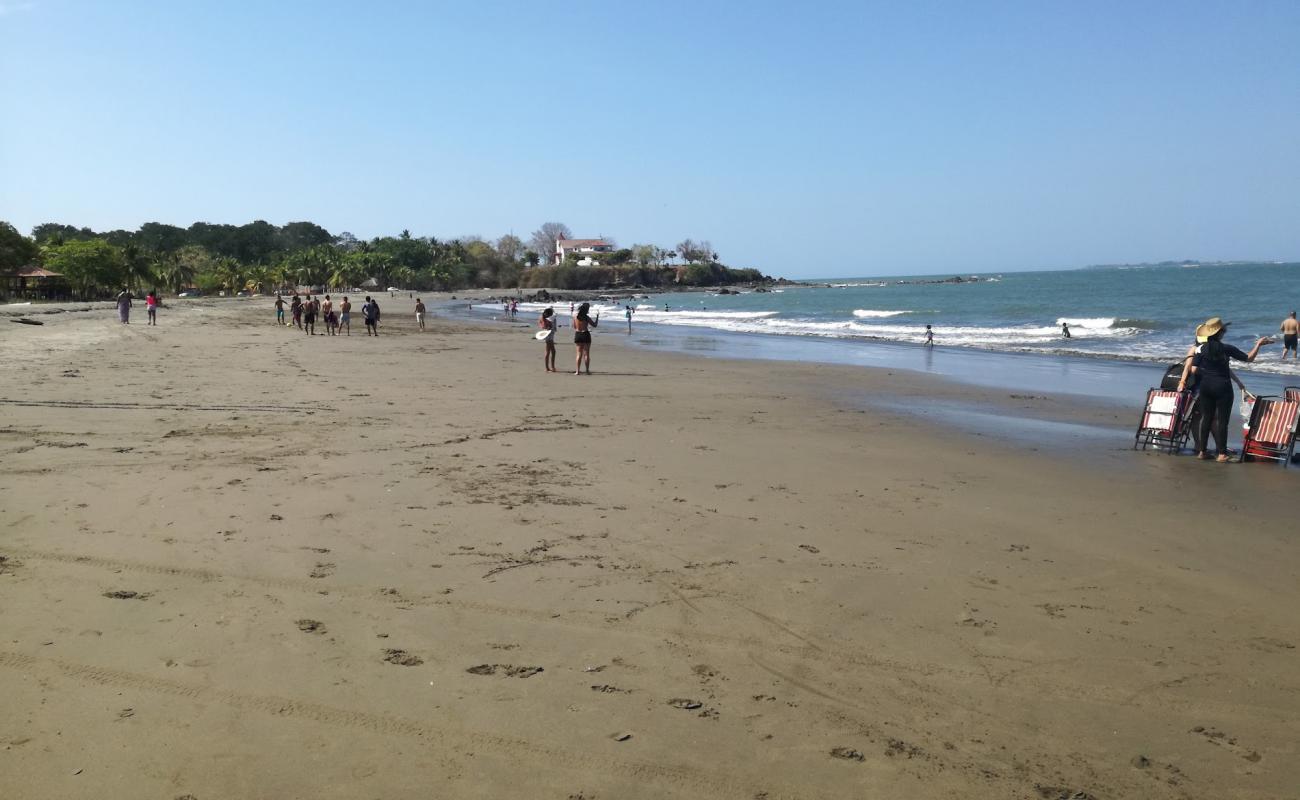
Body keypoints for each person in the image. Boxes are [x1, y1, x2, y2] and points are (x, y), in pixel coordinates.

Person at [1177, 318, 1270, 462]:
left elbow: (1194, 369)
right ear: (1220, 333)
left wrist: (1208, 372)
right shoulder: (1227, 348)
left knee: (1206, 418)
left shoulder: (1200, 348)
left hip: (1206, 387)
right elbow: (1249, 358)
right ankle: (1221, 454)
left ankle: (1202, 452)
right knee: (1222, 421)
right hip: (1223, 387)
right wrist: (1258, 344)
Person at [573, 302, 598, 375]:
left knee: (579, 353)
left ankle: (577, 371)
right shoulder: (586, 317)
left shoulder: (575, 316)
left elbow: (574, 326)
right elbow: (594, 325)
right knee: (586, 354)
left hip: (578, 334)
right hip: (585, 334)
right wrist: (597, 317)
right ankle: (587, 371)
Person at [540, 307, 557, 372]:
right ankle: (550, 367)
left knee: (550, 351)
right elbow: (555, 315)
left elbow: (543, 326)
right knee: (551, 351)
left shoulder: (543, 317)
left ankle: (549, 367)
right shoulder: (550, 319)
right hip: (549, 336)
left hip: (547, 335)